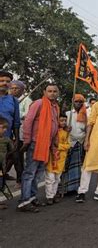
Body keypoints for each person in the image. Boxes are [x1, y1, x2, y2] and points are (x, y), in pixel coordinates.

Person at [18, 84, 60, 213]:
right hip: (35, 143)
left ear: (57, 93)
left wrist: (53, 143)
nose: (52, 93)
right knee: (30, 173)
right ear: (44, 92)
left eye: (55, 91)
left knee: (38, 173)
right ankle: (24, 201)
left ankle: (32, 197)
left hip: (46, 144)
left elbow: (55, 126)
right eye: (50, 91)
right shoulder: (39, 103)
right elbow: (28, 121)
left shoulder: (55, 107)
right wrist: (26, 140)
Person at [60, 94, 87, 196]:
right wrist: (65, 129)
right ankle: (63, 188)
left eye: (81, 102)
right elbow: (61, 126)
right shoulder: (67, 114)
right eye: (76, 101)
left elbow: (87, 129)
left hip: (79, 143)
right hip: (68, 143)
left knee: (76, 167)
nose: (78, 103)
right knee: (64, 166)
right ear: (73, 101)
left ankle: (73, 188)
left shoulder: (85, 115)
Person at [7, 80, 30, 185]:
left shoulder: (27, 100)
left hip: (20, 133)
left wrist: (17, 113)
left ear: (22, 90)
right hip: (7, 132)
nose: (13, 90)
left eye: (16, 88)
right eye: (12, 88)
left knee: (16, 157)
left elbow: (28, 115)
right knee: (11, 156)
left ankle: (19, 179)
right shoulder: (7, 99)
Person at [45, 113, 70, 205]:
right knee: (50, 179)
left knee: (57, 179)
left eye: (65, 120)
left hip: (61, 159)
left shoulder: (66, 132)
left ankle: (54, 194)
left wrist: (58, 146)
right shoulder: (52, 132)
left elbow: (68, 145)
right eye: (61, 120)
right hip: (51, 159)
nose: (63, 122)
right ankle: (49, 196)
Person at [0, 71, 20, 183]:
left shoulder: (13, 100)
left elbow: (16, 122)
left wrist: (16, 139)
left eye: (7, 81)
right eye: (2, 81)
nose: (4, 83)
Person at [0, 117, 14, 209]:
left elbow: (11, 150)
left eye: (5, 128)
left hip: (2, 167)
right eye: (2, 127)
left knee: (1, 184)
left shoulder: (6, 140)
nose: (4, 130)